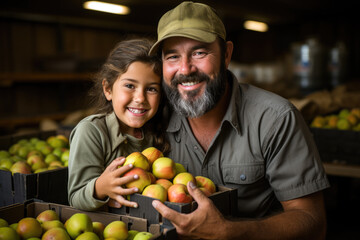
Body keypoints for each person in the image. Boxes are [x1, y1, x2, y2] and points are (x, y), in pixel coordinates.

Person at [149, 2, 330, 239]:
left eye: (199, 53)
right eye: (172, 56)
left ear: (226, 54)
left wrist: (230, 232)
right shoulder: (152, 117)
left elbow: (313, 222)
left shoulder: (275, 118)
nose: (185, 68)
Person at [68, 38, 169, 211]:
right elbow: (75, 197)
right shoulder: (92, 132)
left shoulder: (156, 131)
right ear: (108, 89)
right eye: (130, 85)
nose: (140, 98)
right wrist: (100, 187)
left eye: (151, 89)